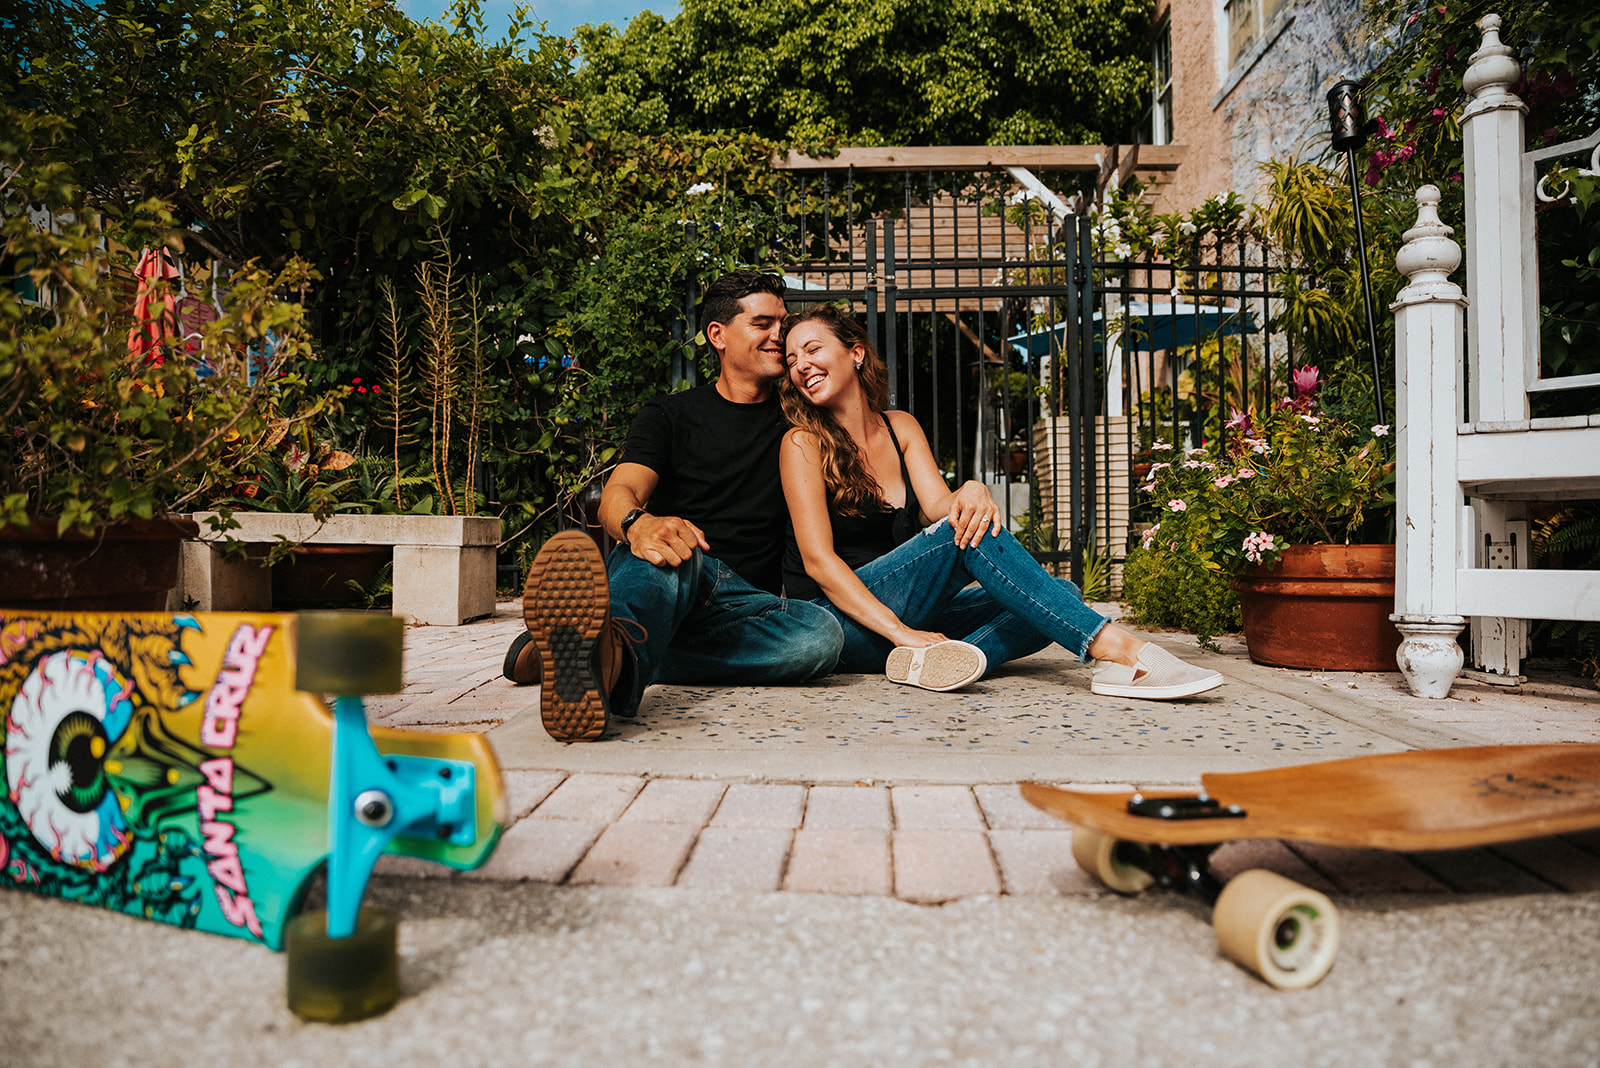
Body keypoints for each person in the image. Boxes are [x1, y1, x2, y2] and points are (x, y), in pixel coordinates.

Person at [779, 302, 1223, 700]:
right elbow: (819, 563)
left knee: (1058, 595)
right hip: (839, 622)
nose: (802, 365)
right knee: (975, 545)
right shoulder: (802, 443)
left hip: (905, 620)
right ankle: (1121, 650)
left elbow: (940, 507)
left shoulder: (900, 428)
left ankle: (941, 664)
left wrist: (972, 490)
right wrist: (902, 633)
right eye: (792, 359)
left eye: (812, 349)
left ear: (855, 352)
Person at [504, 271, 844, 742]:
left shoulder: (802, 421)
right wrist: (639, 524)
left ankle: (594, 652)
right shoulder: (668, 415)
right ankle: (609, 653)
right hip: (669, 570)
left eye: (783, 324)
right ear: (718, 335)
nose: (780, 336)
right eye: (763, 323)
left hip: (742, 602)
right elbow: (617, 496)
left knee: (820, 638)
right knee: (672, 546)